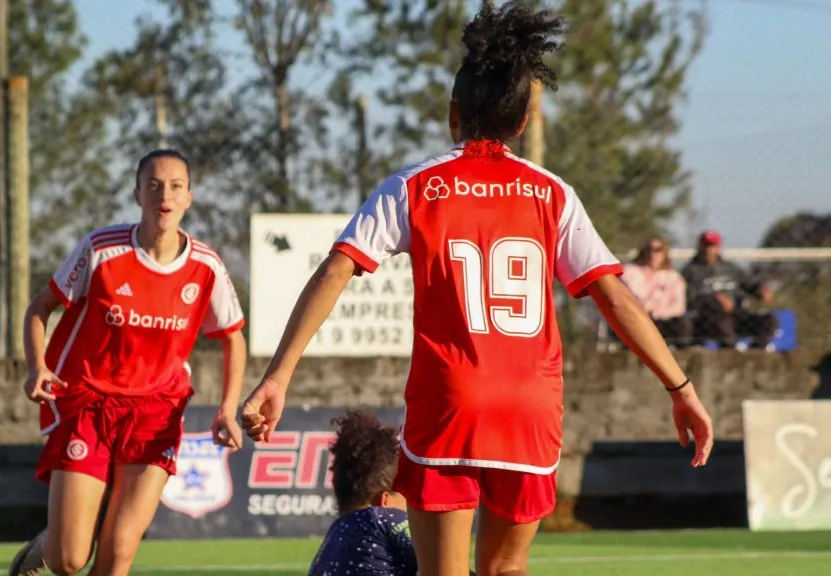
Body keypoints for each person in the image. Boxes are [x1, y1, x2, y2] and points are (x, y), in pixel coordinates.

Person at [240, 4, 714, 576]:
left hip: (450, 403)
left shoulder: (414, 187)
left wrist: (277, 376)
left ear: (453, 115)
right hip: (529, 408)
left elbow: (334, 271)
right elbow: (614, 297)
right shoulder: (553, 194)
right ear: (522, 123)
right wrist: (680, 388)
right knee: (506, 569)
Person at [11, 149, 247, 576]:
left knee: (119, 551)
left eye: (175, 186)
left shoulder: (205, 266)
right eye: (153, 186)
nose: (164, 196)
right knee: (68, 559)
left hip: (156, 412)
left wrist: (227, 409)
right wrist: (36, 367)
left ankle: (84, 532)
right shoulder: (101, 249)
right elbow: (39, 308)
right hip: (89, 403)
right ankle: (43, 547)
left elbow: (233, 338)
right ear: (137, 194)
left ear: (189, 197)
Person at [309, 409, 420, 576]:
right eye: (406, 499)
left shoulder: (328, 544)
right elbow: (446, 565)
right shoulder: (383, 519)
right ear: (384, 501)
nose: (410, 509)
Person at [681, 230, 777, 350]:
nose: (709, 250)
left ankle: (756, 353)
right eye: (706, 245)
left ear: (718, 247)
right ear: (700, 246)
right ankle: (730, 353)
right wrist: (714, 301)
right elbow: (691, 299)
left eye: (712, 246)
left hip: (737, 314)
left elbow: (749, 283)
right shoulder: (690, 271)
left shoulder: (731, 269)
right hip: (709, 319)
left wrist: (760, 291)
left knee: (768, 320)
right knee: (723, 322)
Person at [619, 235, 691, 348]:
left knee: (682, 323)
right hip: (638, 317)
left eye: (658, 250)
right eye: (650, 249)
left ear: (665, 253)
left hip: (664, 319)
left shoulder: (674, 277)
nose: (653, 254)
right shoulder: (630, 272)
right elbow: (631, 296)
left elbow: (679, 306)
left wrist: (657, 312)